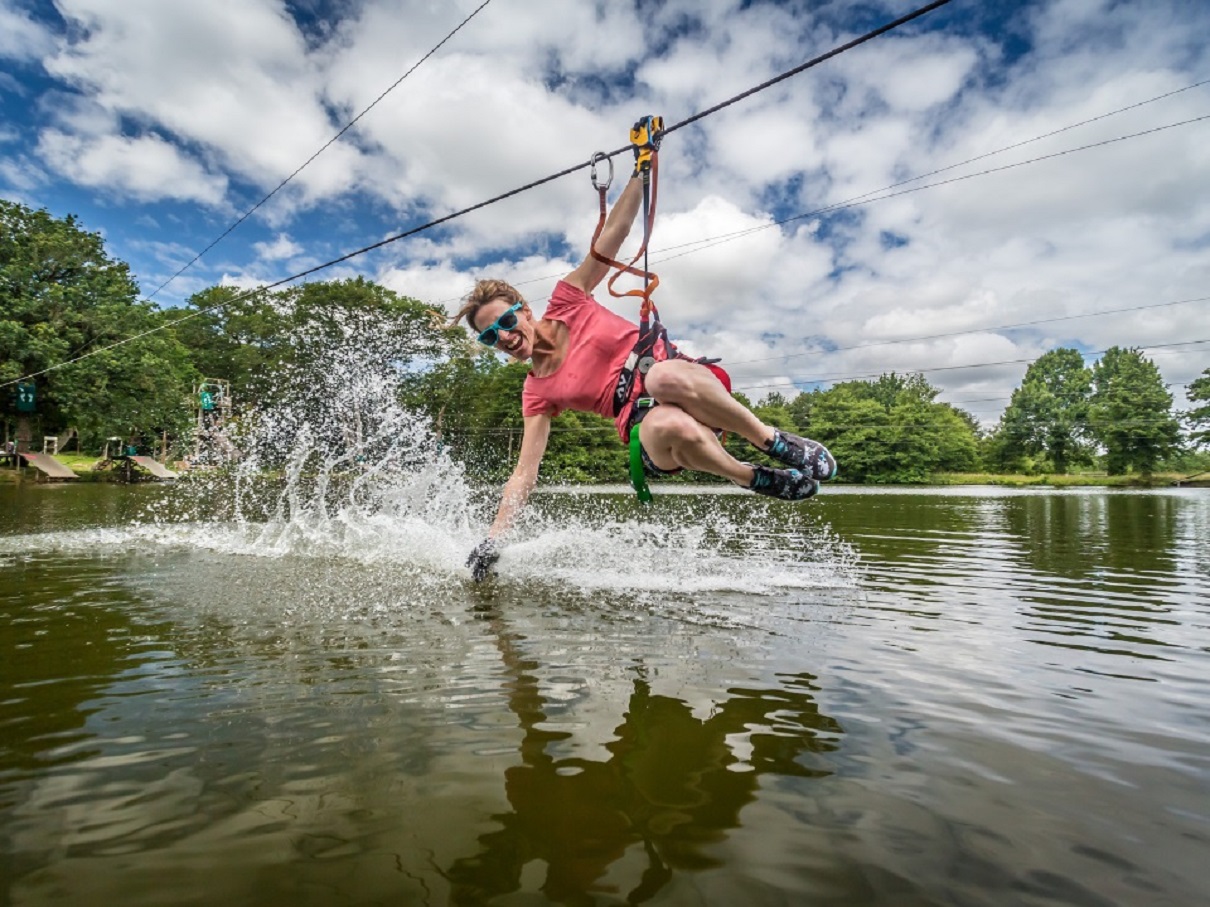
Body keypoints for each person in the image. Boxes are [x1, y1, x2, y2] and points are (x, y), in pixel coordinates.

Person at [455, 116, 837, 581]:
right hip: (654, 432)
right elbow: (523, 476)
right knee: (667, 417)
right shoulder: (536, 391)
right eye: (491, 337)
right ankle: (750, 476)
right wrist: (495, 540)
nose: (506, 337)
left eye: (507, 322)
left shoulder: (567, 298)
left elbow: (610, 239)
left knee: (662, 376)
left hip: (692, 387)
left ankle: (773, 441)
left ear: (525, 309)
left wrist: (643, 165)